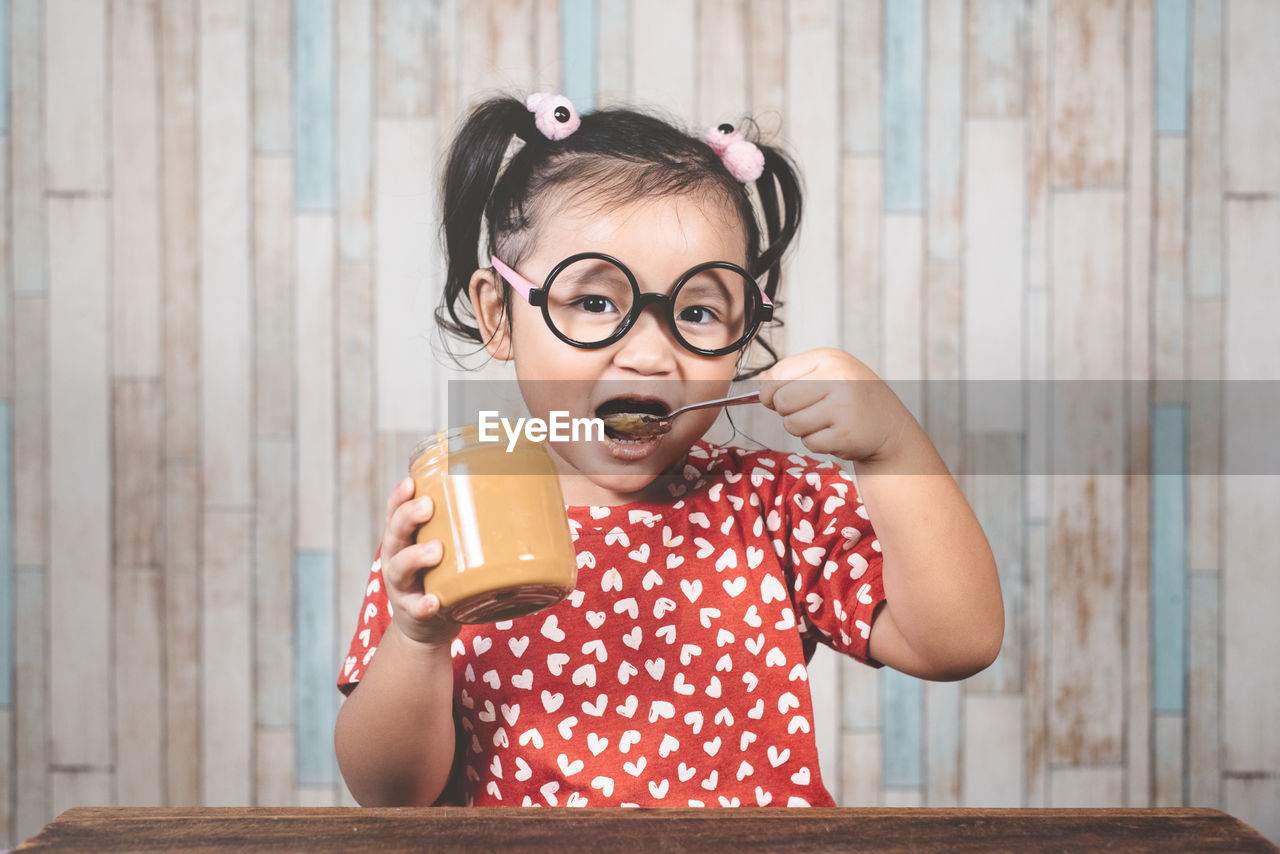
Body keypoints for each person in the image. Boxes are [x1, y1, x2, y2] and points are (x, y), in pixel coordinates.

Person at [334, 93, 1003, 808]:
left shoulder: (772, 506)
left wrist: (894, 450)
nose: (652, 354)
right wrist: (418, 638)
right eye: (593, 302)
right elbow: (392, 796)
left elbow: (955, 643)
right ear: (500, 314)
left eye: (697, 311)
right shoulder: (459, 507)